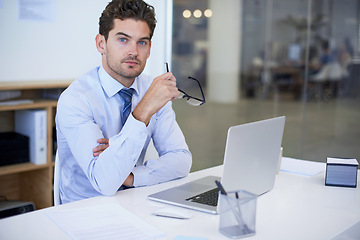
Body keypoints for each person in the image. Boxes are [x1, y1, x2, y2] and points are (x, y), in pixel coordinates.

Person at [56, 0, 192, 204]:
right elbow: (105, 182)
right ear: (101, 43)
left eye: (142, 42)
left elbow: (181, 160)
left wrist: (131, 177)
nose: (134, 52)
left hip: (134, 199)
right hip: (85, 208)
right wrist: (144, 109)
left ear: (149, 48)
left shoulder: (152, 89)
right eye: (123, 40)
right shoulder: (76, 100)